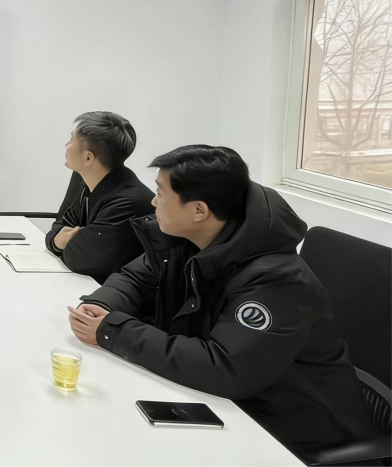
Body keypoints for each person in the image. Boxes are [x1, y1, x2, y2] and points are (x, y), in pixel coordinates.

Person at [67, 145, 374, 461]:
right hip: (226, 404)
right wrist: (103, 305)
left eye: (160, 193)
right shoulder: (191, 239)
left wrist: (114, 332)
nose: (153, 202)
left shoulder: (278, 281)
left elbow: (225, 368)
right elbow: (134, 277)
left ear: (199, 210)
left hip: (291, 432)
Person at [44, 111, 154, 282]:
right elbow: (60, 226)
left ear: (88, 157)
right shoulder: (88, 182)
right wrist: (56, 241)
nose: (66, 145)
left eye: (71, 140)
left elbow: (80, 259)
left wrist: (60, 243)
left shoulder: (129, 202)